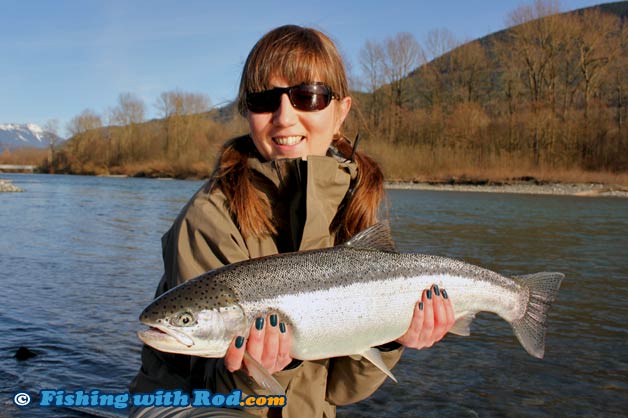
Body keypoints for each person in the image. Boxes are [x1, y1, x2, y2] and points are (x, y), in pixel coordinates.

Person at [129, 25, 455, 418]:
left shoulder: (351, 206)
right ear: (247, 112)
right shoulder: (209, 217)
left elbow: (338, 391)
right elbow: (215, 387)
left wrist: (389, 340)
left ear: (340, 112)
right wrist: (258, 369)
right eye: (265, 100)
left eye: (308, 96)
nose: (285, 117)